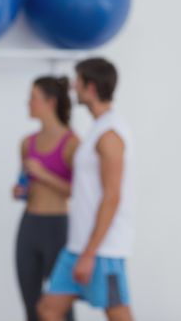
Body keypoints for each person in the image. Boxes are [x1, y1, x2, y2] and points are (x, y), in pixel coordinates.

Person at [38, 58, 135, 321]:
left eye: (77, 82)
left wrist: (90, 252)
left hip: (103, 249)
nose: (73, 87)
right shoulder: (97, 129)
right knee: (48, 310)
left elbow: (112, 196)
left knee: (119, 316)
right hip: (77, 245)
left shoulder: (110, 134)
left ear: (90, 88)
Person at [13, 76, 79, 321]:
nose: (28, 103)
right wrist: (21, 191)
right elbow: (26, 183)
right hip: (29, 225)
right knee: (31, 302)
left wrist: (44, 174)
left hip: (57, 227)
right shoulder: (26, 143)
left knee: (60, 304)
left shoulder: (72, 143)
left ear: (50, 102)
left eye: (32, 97)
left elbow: (77, 192)